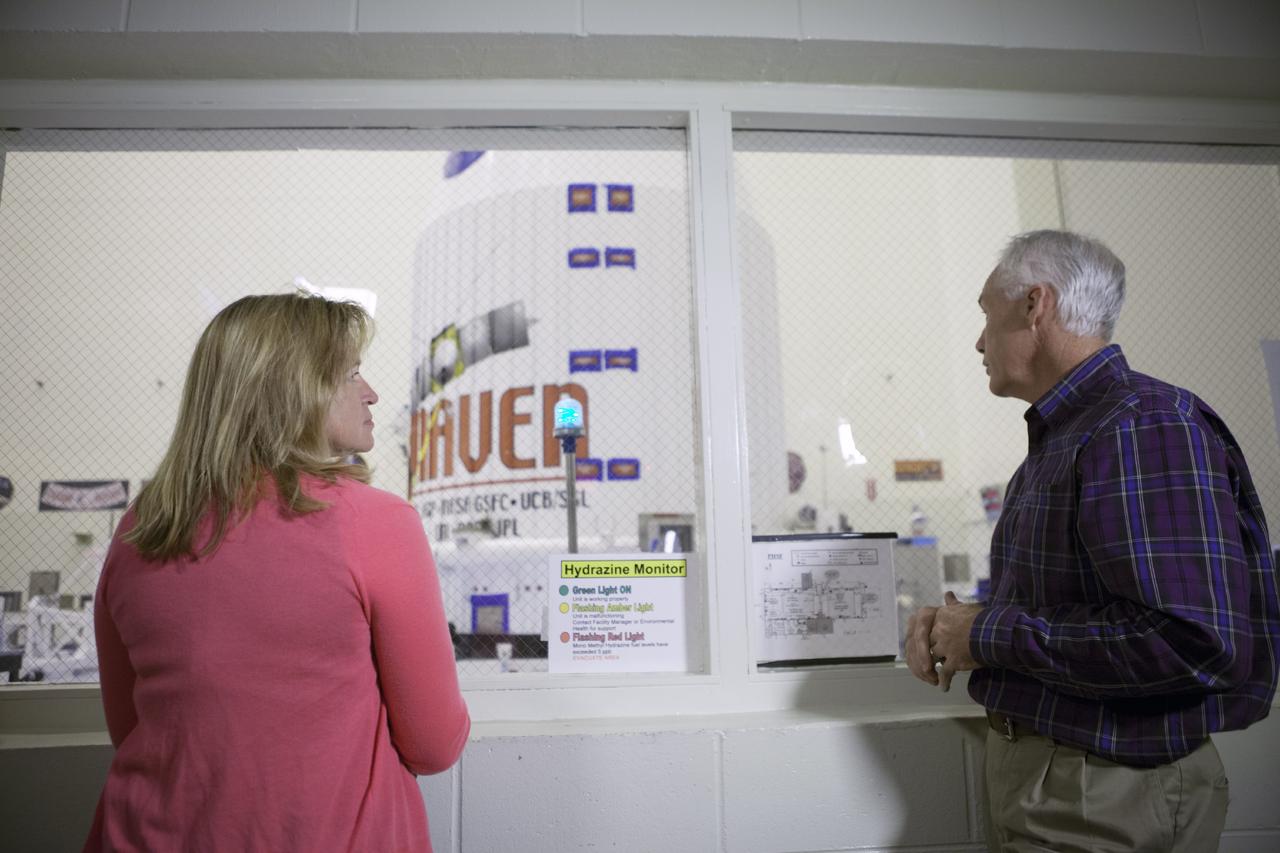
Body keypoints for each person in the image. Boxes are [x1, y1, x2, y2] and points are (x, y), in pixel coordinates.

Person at [905, 230, 1278, 852]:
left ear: (1035, 305)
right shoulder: (1072, 435)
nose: (978, 341)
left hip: (1103, 794)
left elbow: (1190, 643)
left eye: (985, 316)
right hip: (1068, 787)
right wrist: (958, 624)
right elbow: (1071, 607)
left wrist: (983, 633)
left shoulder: (1141, 426)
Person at [85, 293, 470, 852]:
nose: (371, 393)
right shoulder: (377, 523)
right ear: (294, 391)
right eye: (350, 374)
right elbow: (435, 744)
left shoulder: (142, 528)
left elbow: (132, 729)